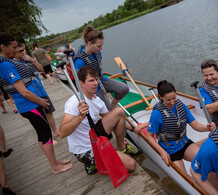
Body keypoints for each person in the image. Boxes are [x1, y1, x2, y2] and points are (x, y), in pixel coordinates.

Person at [0, 34, 72, 174]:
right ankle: (55, 167)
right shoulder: (6, 65)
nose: (16, 51)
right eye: (13, 47)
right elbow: (24, 92)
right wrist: (42, 102)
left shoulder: (4, 62)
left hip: (28, 105)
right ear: (3, 47)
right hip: (30, 105)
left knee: (42, 134)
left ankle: (54, 162)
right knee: (45, 135)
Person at [59, 66, 140, 175]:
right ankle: (91, 162)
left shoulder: (97, 100)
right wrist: (80, 116)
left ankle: (122, 148)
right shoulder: (74, 102)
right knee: (131, 165)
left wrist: (132, 128)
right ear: (81, 83)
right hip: (85, 150)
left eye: (96, 80)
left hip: (94, 136)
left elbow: (113, 118)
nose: (95, 83)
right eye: (91, 80)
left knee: (119, 112)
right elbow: (62, 133)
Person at [145, 80, 215, 173]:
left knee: (205, 160)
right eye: (168, 100)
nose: (172, 102)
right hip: (170, 150)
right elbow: (149, 136)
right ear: (161, 97)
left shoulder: (181, 105)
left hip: (184, 142)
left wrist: (206, 128)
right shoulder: (157, 113)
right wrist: (162, 152)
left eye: (174, 98)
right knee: (184, 176)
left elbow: (195, 125)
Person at [73, 25, 129, 110]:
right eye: (99, 46)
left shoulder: (96, 51)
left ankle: (112, 105)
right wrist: (88, 95)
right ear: (89, 44)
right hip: (92, 87)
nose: (101, 48)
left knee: (124, 89)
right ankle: (109, 111)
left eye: (101, 45)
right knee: (109, 112)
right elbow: (79, 82)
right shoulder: (79, 61)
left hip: (101, 79)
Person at [14, 42, 59, 144]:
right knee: (42, 117)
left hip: (41, 90)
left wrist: (32, 61)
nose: (24, 52)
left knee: (49, 112)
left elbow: (41, 69)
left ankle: (55, 132)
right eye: (21, 51)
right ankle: (50, 138)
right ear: (15, 51)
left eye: (24, 50)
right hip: (33, 94)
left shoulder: (28, 60)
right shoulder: (14, 65)